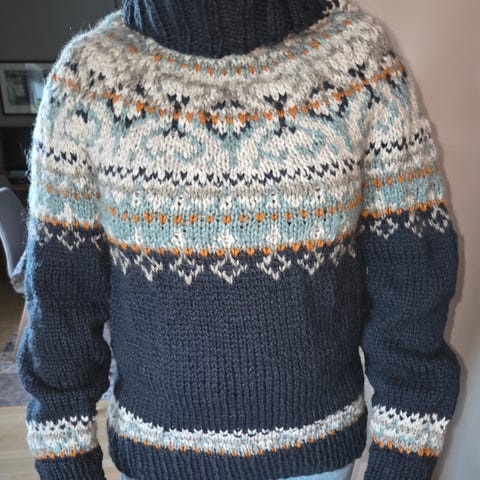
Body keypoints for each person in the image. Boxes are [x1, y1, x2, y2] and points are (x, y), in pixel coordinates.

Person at [15, 0, 461, 479]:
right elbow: (60, 301)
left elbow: (412, 280)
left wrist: (402, 456)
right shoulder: (89, 80)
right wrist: (66, 459)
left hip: (316, 458)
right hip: (156, 457)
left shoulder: (359, 65)